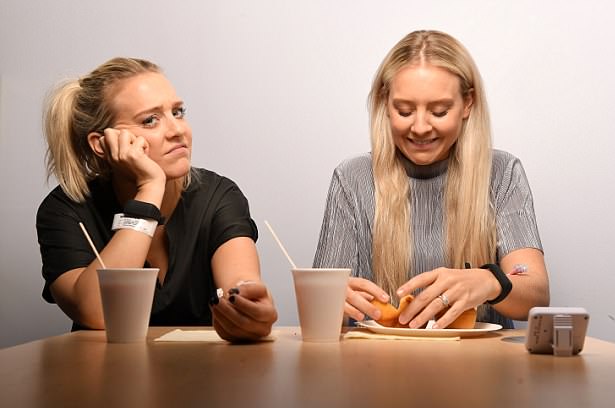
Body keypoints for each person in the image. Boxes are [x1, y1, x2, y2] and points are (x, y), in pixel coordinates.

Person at [313, 30, 549, 329]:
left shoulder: (502, 173)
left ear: (467, 105)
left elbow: (536, 293)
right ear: (385, 103)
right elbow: (319, 307)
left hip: (481, 370)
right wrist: (329, 298)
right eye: (405, 110)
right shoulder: (352, 178)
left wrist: (491, 281)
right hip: (377, 368)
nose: (421, 127)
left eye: (439, 111)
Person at [36, 57, 277, 341]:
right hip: (106, 377)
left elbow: (241, 281)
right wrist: (150, 188)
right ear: (101, 144)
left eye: (178, 112)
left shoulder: (218, 196)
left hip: (204, 377)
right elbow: (98, 312)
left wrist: (249, 307)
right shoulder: (66, 210)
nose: (177, 131)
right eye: (150, 120)